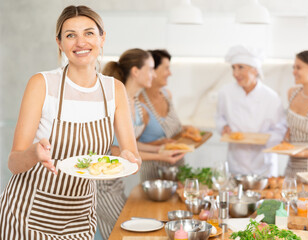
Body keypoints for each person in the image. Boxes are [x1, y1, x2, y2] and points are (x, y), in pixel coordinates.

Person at [0, 5, 140, 239]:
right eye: (70, 35)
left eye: (89, 33)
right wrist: (34, 153)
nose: (80, 42)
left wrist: (128, 161)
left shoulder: (115, 89)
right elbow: (14, 163)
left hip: (79, 216)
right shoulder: (42, 84)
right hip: (27, 215)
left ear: (102, 38)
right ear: (59, 42)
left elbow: (131, 153)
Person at [98, 49, 184, 239]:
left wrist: (159, 148)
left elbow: (131, 145)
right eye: (151, 69)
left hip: (116, 182)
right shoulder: (114, 102)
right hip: (100, 185)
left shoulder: (135, 104)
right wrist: (160, 155)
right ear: (136, 72)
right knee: (124, 233)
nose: (153, 75)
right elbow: (114, 150)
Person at [216, 45, 286, 177]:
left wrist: (260, 139)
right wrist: (223, 127)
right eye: (233, 68)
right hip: (235, 163)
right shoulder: (225, 93)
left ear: (255, 70)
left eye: (240, 67)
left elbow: (280, 129)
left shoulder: (271, 97)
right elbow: (219, 118)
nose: (235, 73)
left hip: (263, 166)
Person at [138, 49, 184, 181]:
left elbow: (171, 128)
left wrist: (186, 129)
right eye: (166, 68)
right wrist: (159, 144)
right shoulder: (140, 105)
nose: (170, 73)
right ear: (152, 70)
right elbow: (131, 145)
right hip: (154, 172)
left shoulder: (167, 94)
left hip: (177, 165)